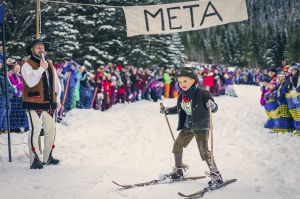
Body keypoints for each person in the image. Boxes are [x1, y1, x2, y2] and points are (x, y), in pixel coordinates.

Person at [160, 67, 223, 187]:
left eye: (185, 81)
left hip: (200, 127)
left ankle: (217, 176)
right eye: (180, 81)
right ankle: (178, 172)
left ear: (193, 81)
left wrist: (213, 105)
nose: (182, 84)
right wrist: (167, 110)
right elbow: (179, 109)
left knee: (204, 152)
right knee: (177, 145)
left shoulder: (203, 93)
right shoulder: (181, 96)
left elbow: (214, 108)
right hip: (187, 126)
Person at [21, 39, 62, 169]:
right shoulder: (27, 65)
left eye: (42, 47)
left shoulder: (49, 64)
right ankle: (34, 159)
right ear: (32, 50)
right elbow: (31, 82)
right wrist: (40, 69)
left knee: (51, 129)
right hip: (34, 103)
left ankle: (47, 156)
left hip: (49, 103)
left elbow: (56, 83)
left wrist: (58, 99)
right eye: (38, 47)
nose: (41, 49)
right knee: (35, 130)